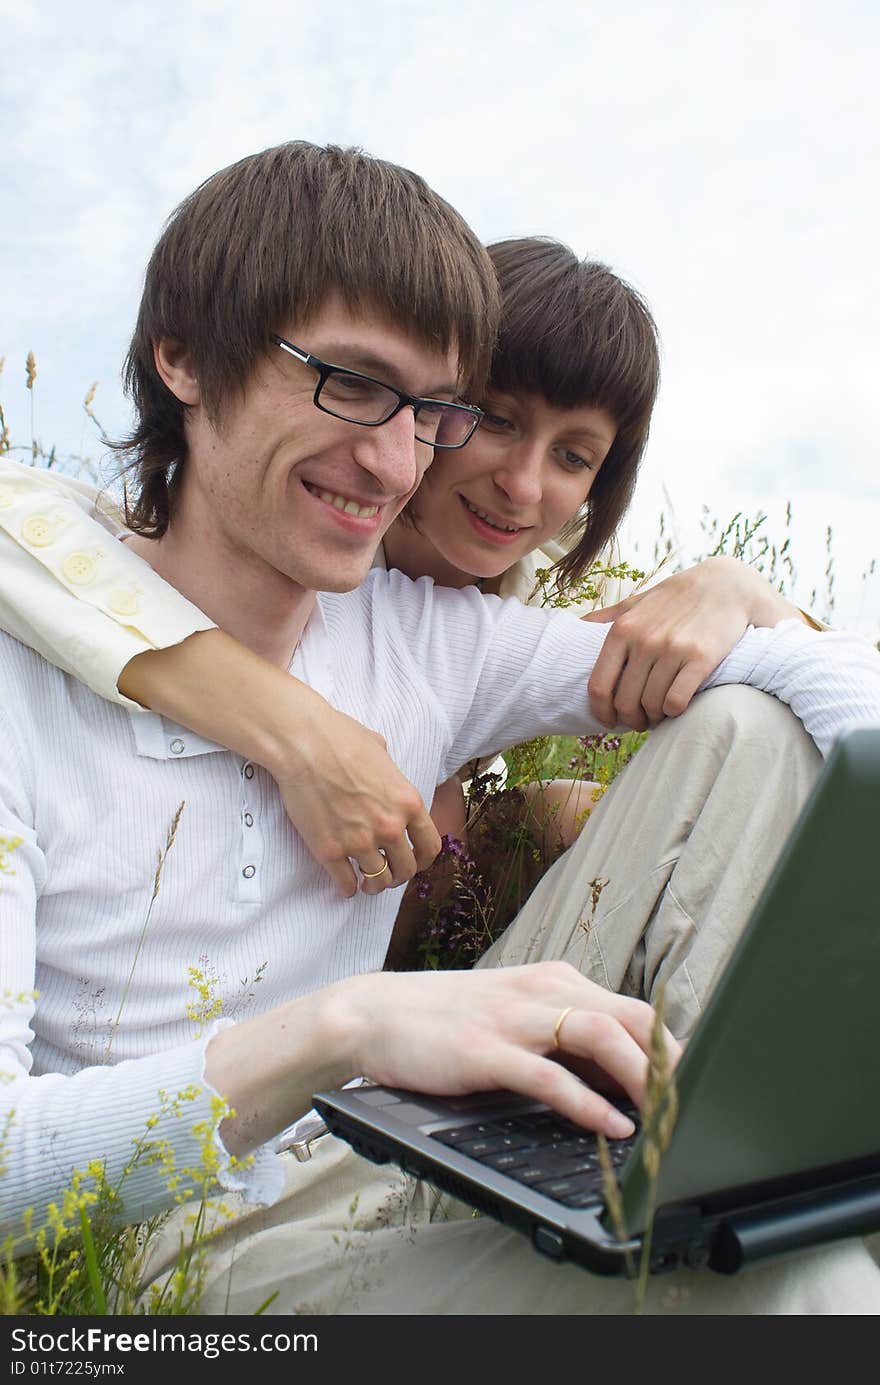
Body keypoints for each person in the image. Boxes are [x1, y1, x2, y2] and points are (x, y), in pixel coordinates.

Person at [1, 140, 878, 1316]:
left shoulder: (431, 636)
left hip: (386, 1140)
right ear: (186, 359)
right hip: (172, 1233)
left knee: (747, 727)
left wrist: (731, 585)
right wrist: (346, 1025)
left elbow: (792, 668)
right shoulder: (29, 649)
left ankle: (705, 1157)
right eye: (350, 382)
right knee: (792, 1287)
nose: (392, 456)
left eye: (430, 409)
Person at [0, 241, 819, 900]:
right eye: (494, 420)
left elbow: (800, 669)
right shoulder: (267, 542)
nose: (523, 485)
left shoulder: (533, 611)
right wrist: (304, 729)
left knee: (571, 806)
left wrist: (738, 587)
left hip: (400, 928)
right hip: (310, 942)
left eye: (573, 456)